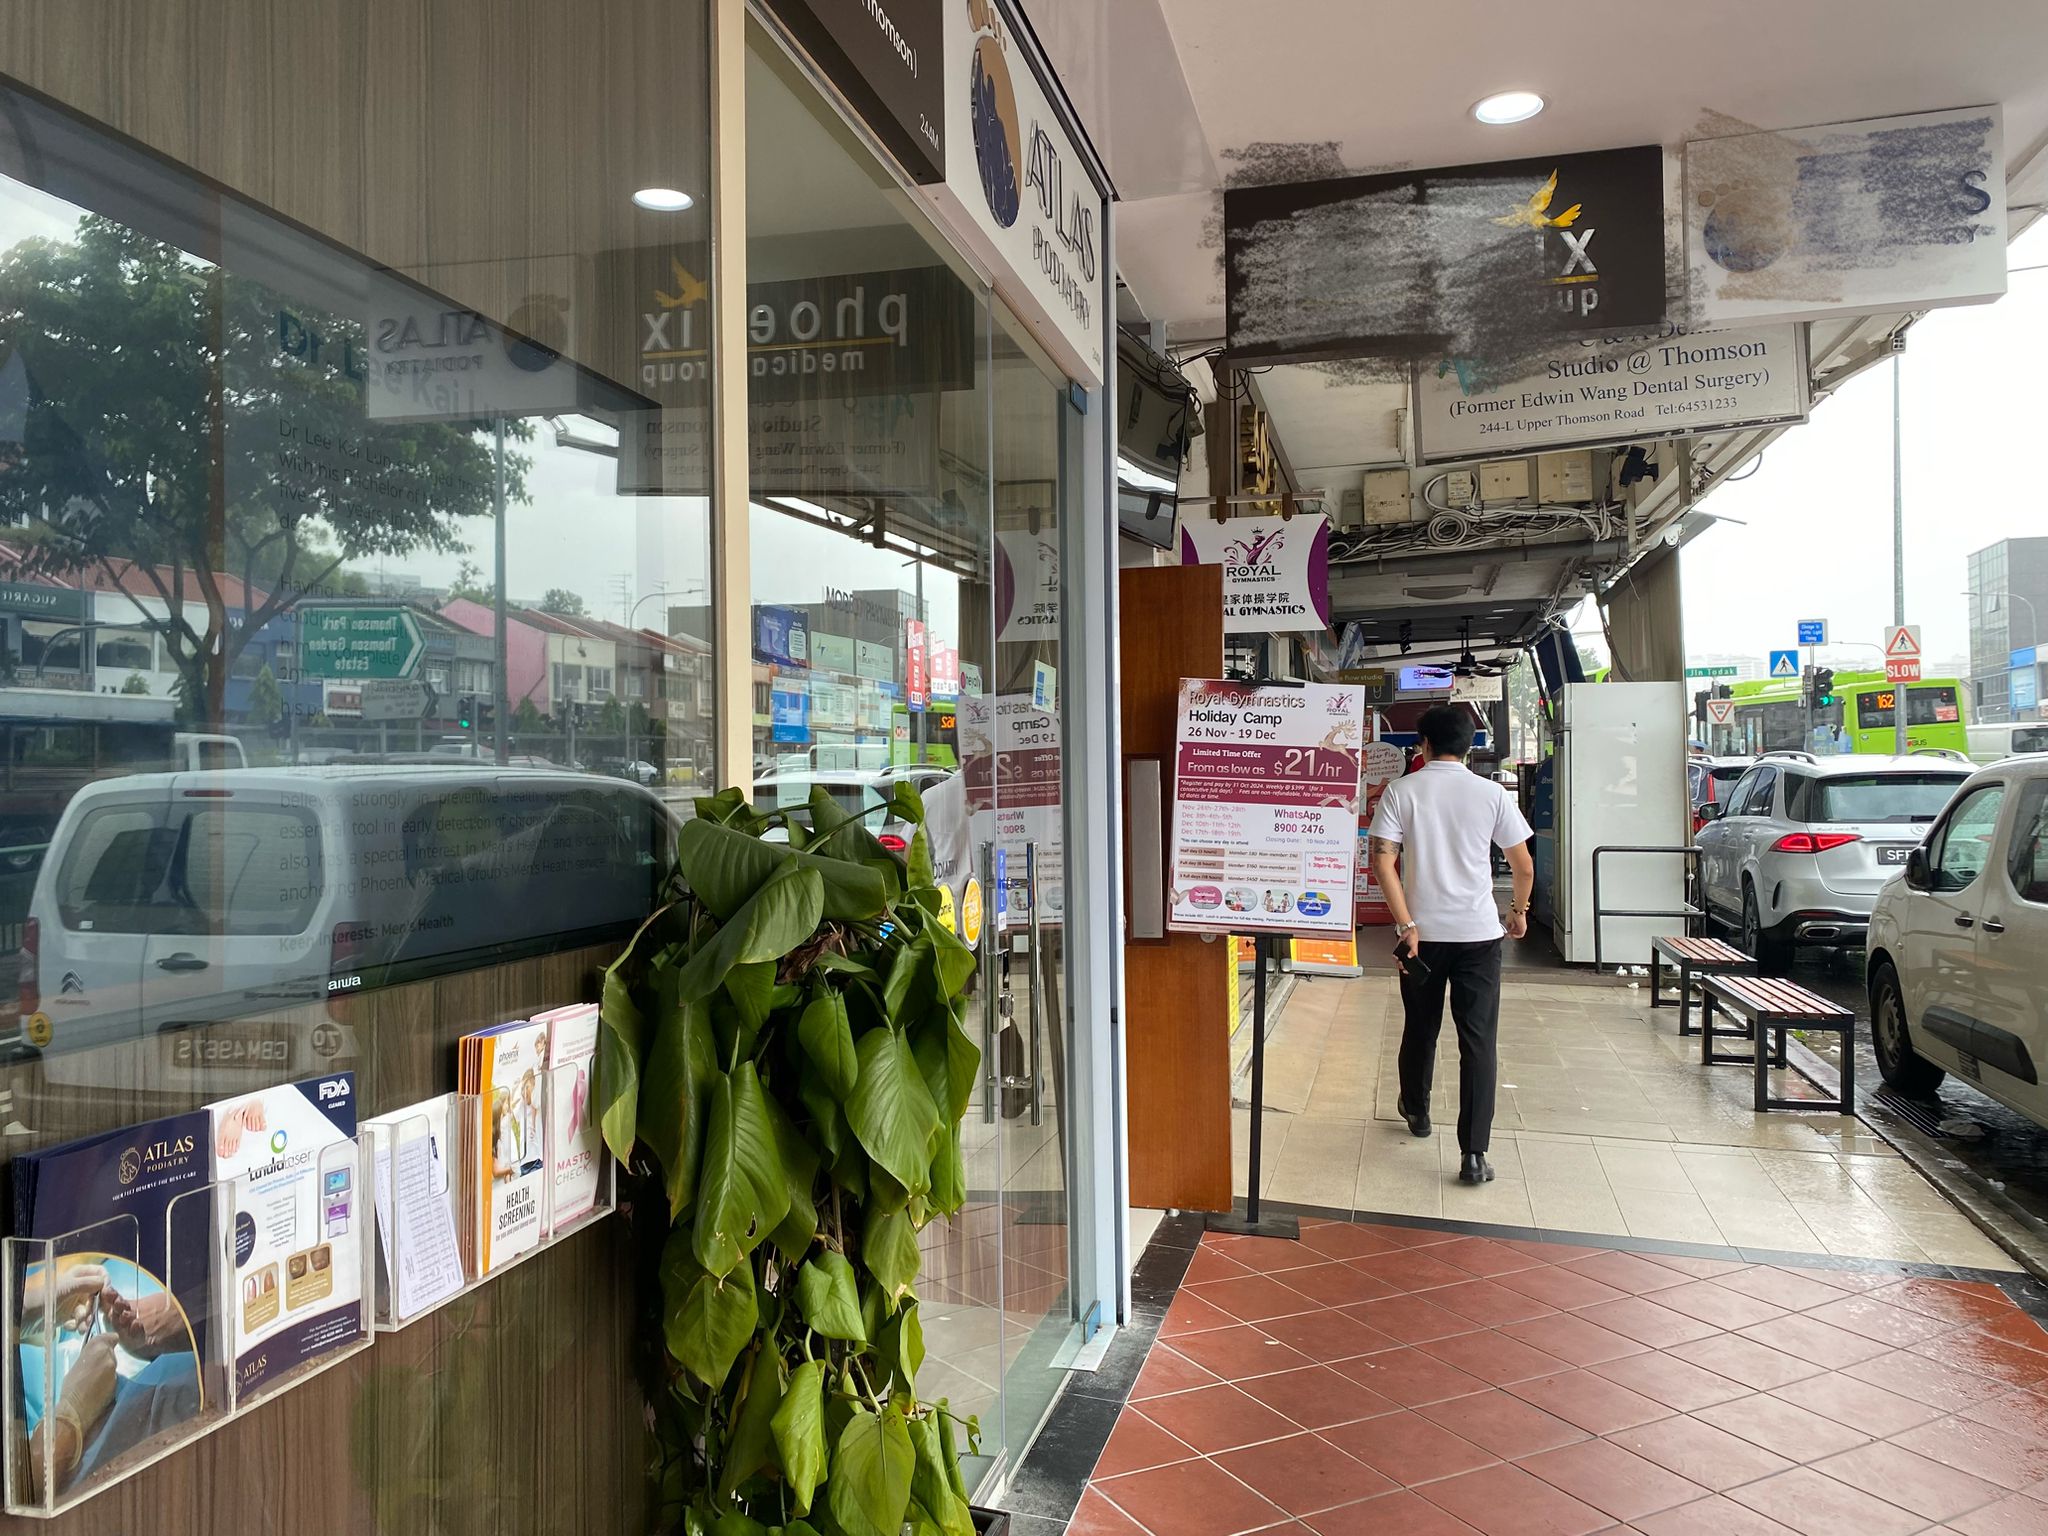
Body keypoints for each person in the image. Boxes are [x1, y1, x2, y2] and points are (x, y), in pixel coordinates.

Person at [1369, 705, 1535, 1185]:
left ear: (1423, 743)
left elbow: (1384, 862)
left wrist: (1406, 926)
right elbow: (1522, 866)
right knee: (1478, 1042)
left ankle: (1418, 1112)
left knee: (1420, 1027)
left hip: (1421, 938)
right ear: (1470, 746)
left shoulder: (1402, 792)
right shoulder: (1491, 794)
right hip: (1479, 936)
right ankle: (1474, 1154)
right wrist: (1517, 913)